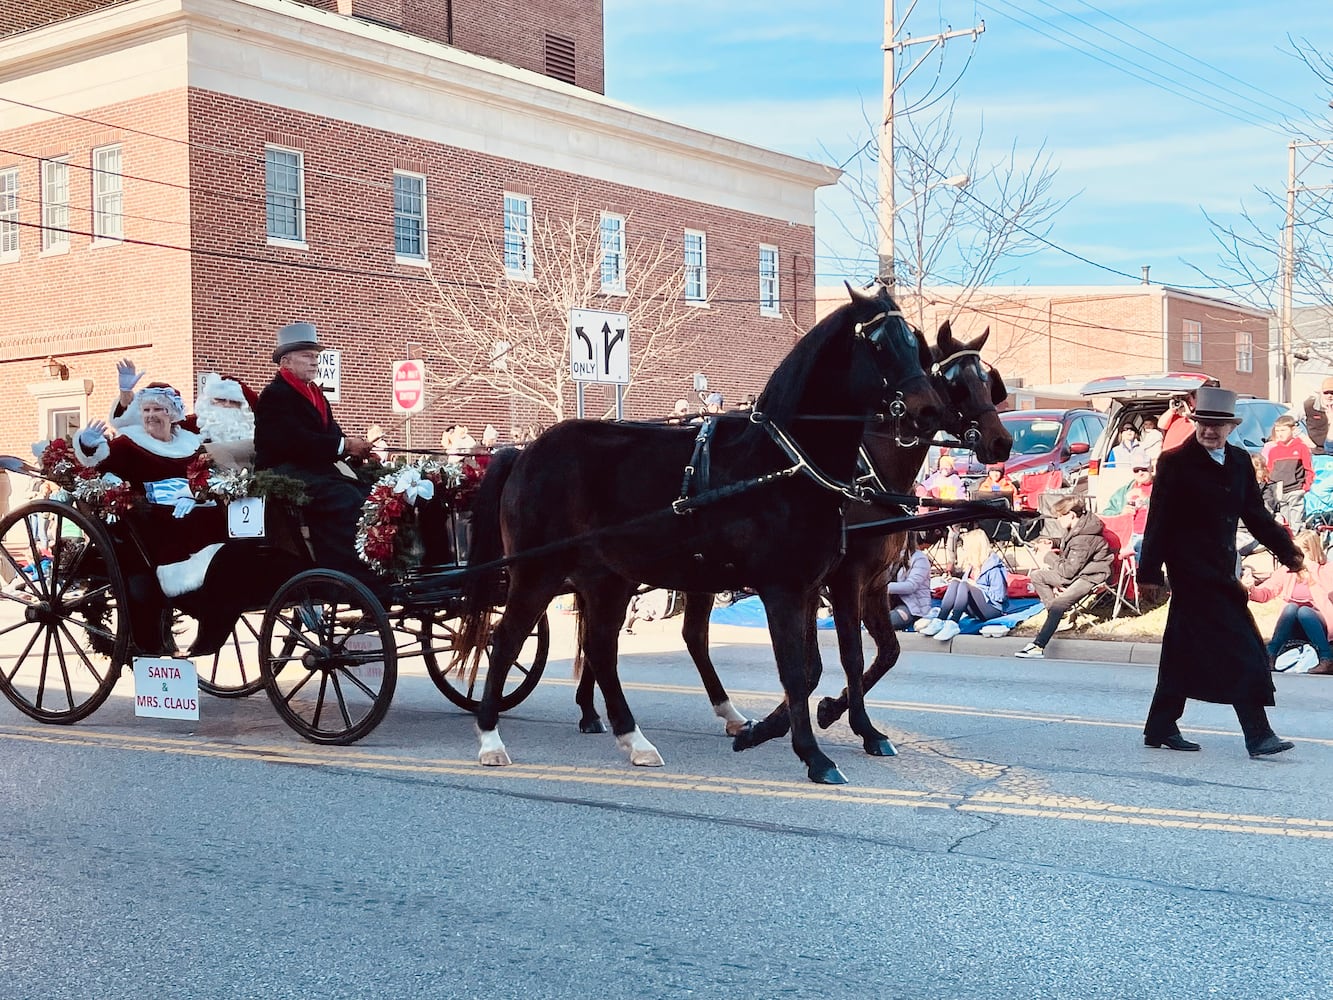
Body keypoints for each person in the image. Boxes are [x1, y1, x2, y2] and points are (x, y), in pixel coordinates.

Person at [1137, 386, 1304, 758]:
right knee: (1241, 647)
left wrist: (1290, 554)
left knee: (1183, 648)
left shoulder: (1241, 462)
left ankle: (1160, 724)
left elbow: (1256, 517)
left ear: (1230, 427)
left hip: (1222, 567)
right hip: (1191, 571)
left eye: (1218, 425)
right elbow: (1158, 521)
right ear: (1196, 423)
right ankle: (1258, 734)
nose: (1209, 430)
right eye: (1204, 423)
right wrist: (1148, 573)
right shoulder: (1175, 462)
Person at [254, 322, 375, 585]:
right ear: (286, 361)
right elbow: (293, 442)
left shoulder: (315, 393)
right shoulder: (275, 395)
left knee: (371, 494)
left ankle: (376, 564)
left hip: (313, 470)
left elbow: (331, 434)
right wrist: (343, 446)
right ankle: (344, 576)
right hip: (284, 471)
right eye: (307, 356)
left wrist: (354, 448)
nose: (314, 361)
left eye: (316, 356)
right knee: (343, 498)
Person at [1015, 495, 1113, 659]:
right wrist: (1051, 543)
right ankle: (1057, 617)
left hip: (1091, 576)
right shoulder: (1081, 527)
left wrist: (1047, 555)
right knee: (1038, 576)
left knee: (1059, 604)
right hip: (1080, 571)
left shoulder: (1084, 538)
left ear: (1072, 515)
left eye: (1060, 516)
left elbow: (1068, 572)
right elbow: (1068, 543)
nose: (1058, 520)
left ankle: (1038, 646)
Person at [1244, 530, 1333, 675]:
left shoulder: (1326, 569)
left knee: (1304, 611)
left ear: (1311, 551)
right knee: (1291, 607)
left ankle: (1326, 658)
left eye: (1299, 552)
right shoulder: (1288, 571)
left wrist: (1312, 569)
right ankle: (1269, 655)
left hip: (1319, 624)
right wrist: (1251, 589)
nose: (1295, 556)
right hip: (1292, 625)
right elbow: (1266, 592)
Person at [916, 529, 1008, 641]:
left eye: (966, 548)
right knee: (955, 582)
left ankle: (953, 623)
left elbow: (999, 596)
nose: (964, 550)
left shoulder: (994, 568)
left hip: (992, 609)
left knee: (964, 585)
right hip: (973, 607)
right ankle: (940, 619)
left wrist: (975, 586)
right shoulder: (972, 565)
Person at [1264, 414, 1312, 529]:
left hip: (1295, 490)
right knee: (1284, 524)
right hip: (1279, 492)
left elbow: (1308, 469)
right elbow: (1269, 470)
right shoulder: (1273, 450)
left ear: (1293, 430)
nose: (1280, 433)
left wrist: (1305, 487)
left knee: (1296, 523)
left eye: (1283, 430)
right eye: (1278, 430)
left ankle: (1298, 544)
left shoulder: (1301, 448)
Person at [886, 532, 932, 631]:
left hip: (911, 606)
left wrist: (883, 588)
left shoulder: (920, 558)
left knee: (883, 623)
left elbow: (911, 586)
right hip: (888, 603)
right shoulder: (891, 557)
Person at [1123, 459, 1153, 559]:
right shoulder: (1126, 489)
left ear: (1151, 469)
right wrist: (1123, 512)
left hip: (1149, 535)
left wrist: (1145, 498)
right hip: (1128, 535)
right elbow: (1109, 512)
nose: (1140, 473)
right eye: (1136, 470)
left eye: (1143, 469)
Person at [1299, 376, 1333, 455]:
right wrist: (1308, 442)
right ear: (1321, 392)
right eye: (1326, 392)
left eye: (1332, 393)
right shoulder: (1309, 405)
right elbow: (1286, 420)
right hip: (1316, 453)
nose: (1329, 396)